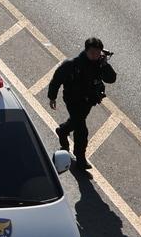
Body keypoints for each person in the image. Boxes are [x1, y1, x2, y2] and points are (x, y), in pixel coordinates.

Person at [48, 38, 118, 171]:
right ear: (86, 51)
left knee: (77, 121)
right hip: (73, 100)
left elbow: (111, 79)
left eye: (98, 53)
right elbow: (57, 80)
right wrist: (52, 97)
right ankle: (80, 158)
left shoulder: (100, 64)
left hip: (89, 101)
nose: (95, 56)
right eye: (92, 53)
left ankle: (63, 130)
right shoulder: (72, 64)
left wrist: (105, 65)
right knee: (81, 129)